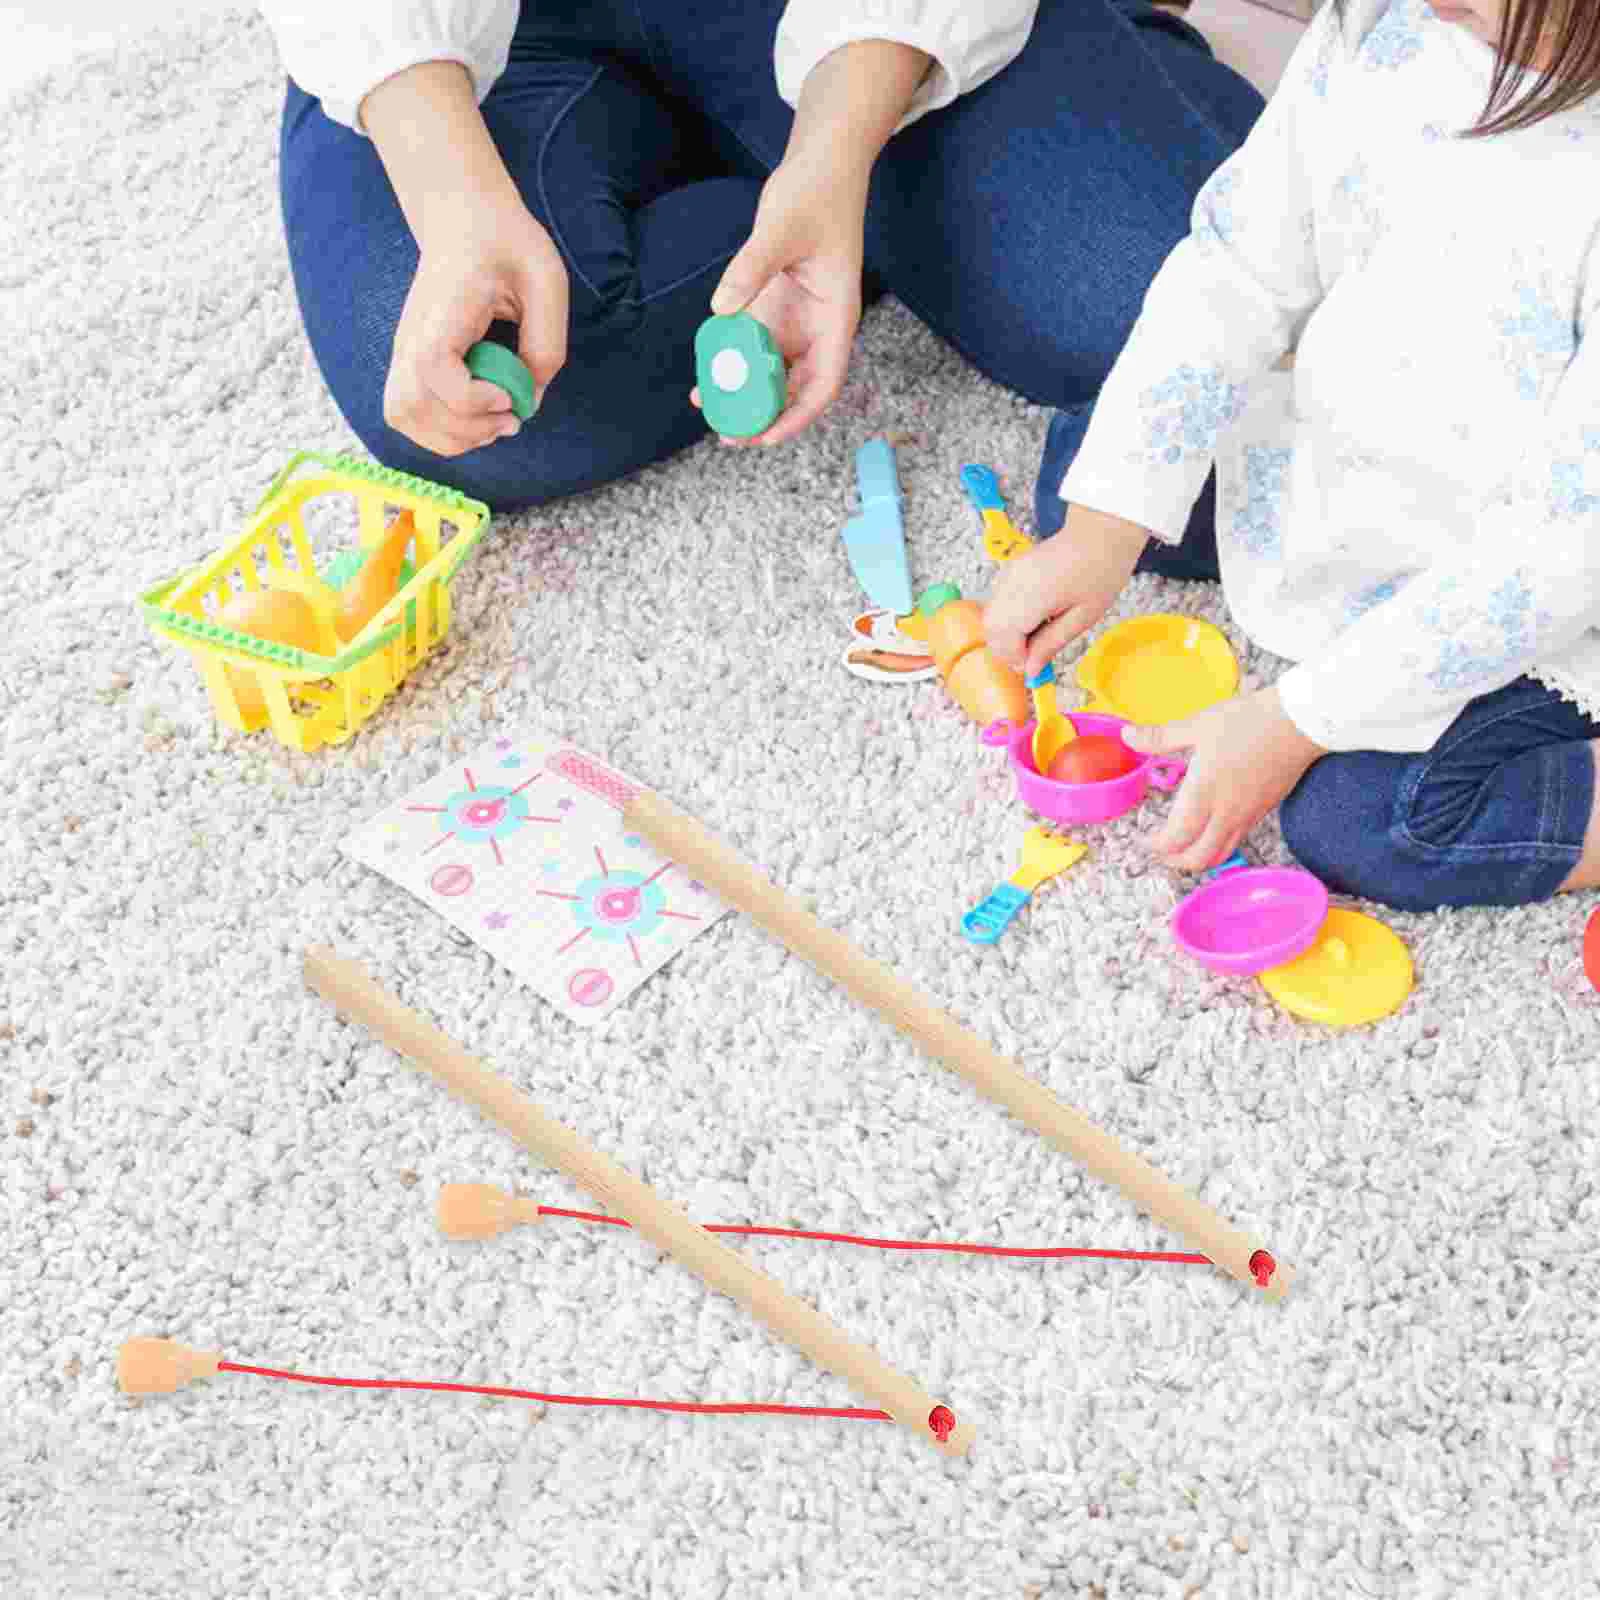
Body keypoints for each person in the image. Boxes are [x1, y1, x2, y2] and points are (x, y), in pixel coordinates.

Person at [985, 0, 1600, 913]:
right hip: (1364, 462)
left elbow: (1552, 559)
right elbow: (1235, 267)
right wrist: (1105, 526)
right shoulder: (1385, 26)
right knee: (1092, 472)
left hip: (1548, 581)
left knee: (1367, 820)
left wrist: (1294, 720)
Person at [262, 0, 1264, 516]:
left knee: (1169, 321)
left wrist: (835, 148)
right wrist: (459, 202)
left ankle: (841, 177)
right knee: (484, 395)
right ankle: (843, 198)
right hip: (504, 29)